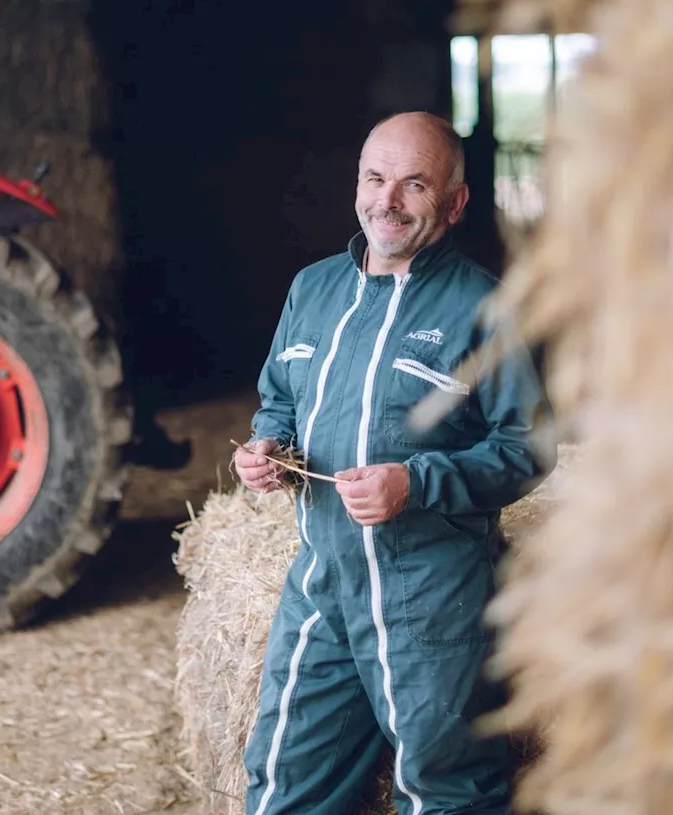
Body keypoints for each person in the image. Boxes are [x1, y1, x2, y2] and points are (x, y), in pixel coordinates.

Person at [233, 111, 554, 815]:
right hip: (320, 589)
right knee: (281, 782)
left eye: (415, 184)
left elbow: (526, 446)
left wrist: (416, 482)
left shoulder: (483, 307)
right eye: (376, 178)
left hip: (430, 600)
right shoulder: (312, 290)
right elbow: (280, 400)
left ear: (454, 203)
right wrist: (266, 449)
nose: (388, 199)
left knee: (445, 790)